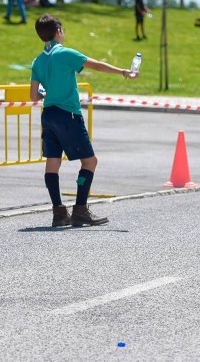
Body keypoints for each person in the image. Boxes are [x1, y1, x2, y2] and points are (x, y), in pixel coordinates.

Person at [30, 14, 136, 227]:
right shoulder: (65, 53)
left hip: (48, 114)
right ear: (59, 31)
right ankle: (80, 209)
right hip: (68, 114)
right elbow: (95, 65)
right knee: (90, 161)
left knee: (53, 163)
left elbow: (34, 96)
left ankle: (59, 213)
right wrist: (123, 71)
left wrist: (48, 93)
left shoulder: (38, 61)